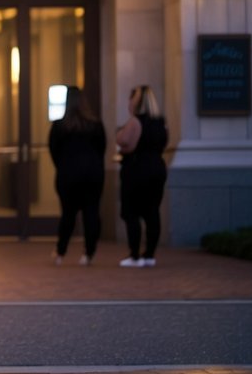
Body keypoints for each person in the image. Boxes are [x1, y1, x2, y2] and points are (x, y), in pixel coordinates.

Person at [48, 86, 107, 266]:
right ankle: (89, 253)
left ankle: (61, 251)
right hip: (92, 175)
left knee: (68, 214)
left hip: (68, 175)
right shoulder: (95, 125)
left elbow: (53, 149)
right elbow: (102, 148)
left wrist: (63, 166)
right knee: (91, 212)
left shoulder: (60, 126)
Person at [115, 84, 169, 268]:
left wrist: (120, 136)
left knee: (131, 213)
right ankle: (150, 255)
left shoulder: (135, 122)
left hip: (136, 170)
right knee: (152, 212)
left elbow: (126, 143)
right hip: (157, 169)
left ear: (137, 102)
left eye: (131, 99)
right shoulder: (161, 123)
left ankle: (135, 255)